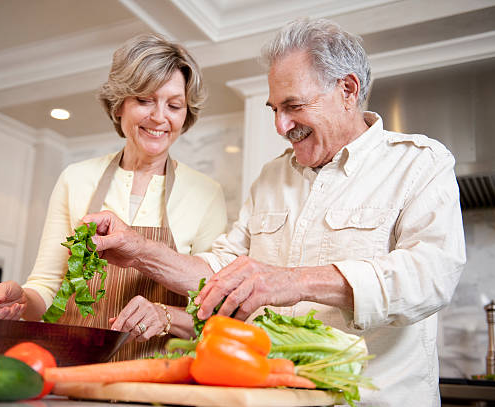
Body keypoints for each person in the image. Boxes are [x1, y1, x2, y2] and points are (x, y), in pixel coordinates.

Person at [80, 18, 466, 405]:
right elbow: (220, 273)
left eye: (293, 106)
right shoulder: (272, 177)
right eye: (274, 109)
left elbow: (432, 274)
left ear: (347, 89)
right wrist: (138, 250)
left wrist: (293, 281)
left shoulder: (419, 164)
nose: (281, 126)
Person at [0, 33, 228, 360]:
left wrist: (165, 316)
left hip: (156, 381)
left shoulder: (206, 193)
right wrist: (20, 299)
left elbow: (215, 312)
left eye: (174, 105)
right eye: (145, 100)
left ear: (185, 114)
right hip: (72, 370)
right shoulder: (76, 178)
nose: (160, 117)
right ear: (120, 104)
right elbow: (48, 287)